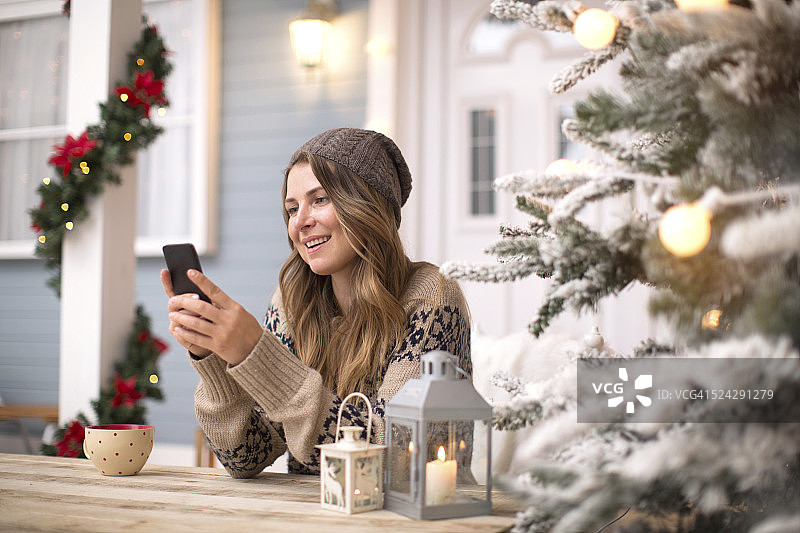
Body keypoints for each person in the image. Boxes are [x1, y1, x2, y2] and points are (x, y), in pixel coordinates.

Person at [161, 128, 472, 478]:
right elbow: (246, 457)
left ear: (368, 205)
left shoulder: (432, 299)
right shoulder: (294, 302)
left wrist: (257, 354)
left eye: (320, 199)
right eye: (292, 209)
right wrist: (213, 356)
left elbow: (396, 462)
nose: (300, 222)